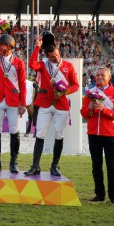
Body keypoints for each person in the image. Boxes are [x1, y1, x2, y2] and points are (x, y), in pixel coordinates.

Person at [25, 38, 79, 176]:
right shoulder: (43, 65)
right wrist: (37, 47)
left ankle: (54, 166)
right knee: (40, 134)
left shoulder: (68, 66)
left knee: (59, 135)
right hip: (44, 104)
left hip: (61, 105)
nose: (56, 58)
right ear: (47, 56)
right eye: (52, 57)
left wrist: (64, 92)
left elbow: (75, 85)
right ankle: (35, 166)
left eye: (57, 55)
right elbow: (31, 64)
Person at [0, 30, 27, 173]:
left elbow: (22, 84)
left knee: (14, 131)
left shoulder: (19, 63)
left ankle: (13, 163)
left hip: (13, 100)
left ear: (9, 46)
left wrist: (23, 103)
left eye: (2, 45)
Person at [80, 67, 114, 206]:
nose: (99, 77)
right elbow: (83, 113)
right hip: (93, 134)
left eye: (102, 75)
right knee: (96, 166)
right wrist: (91, 108)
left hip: (110, 134)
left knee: (112, 166)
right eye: (97, 75)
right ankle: (99, 195)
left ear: (109, 77)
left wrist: (104, 110)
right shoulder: (90, 93)